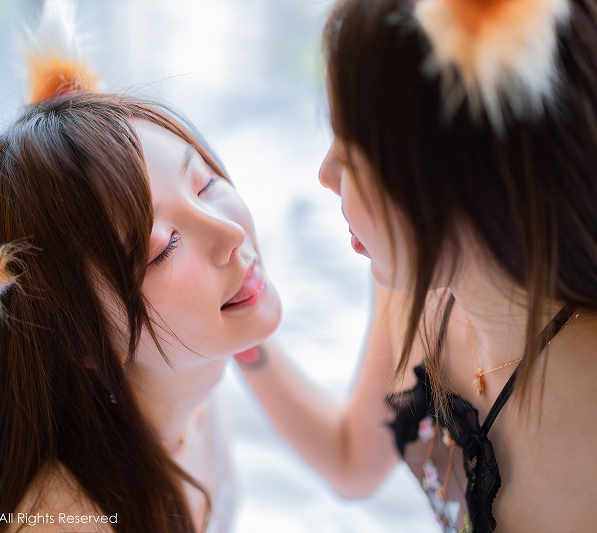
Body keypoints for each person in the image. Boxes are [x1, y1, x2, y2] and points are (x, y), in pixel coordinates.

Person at [0, 4, 281, 532]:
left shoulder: (192, 372)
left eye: (205, 183)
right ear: (83, 340)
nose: (231, 234)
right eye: (163, 248)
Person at [235, 0, 597, 531]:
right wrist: (242, 327)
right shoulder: (415, 283)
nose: (325, 174)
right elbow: (353, 461)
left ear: (457, 186)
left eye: (351, 156)